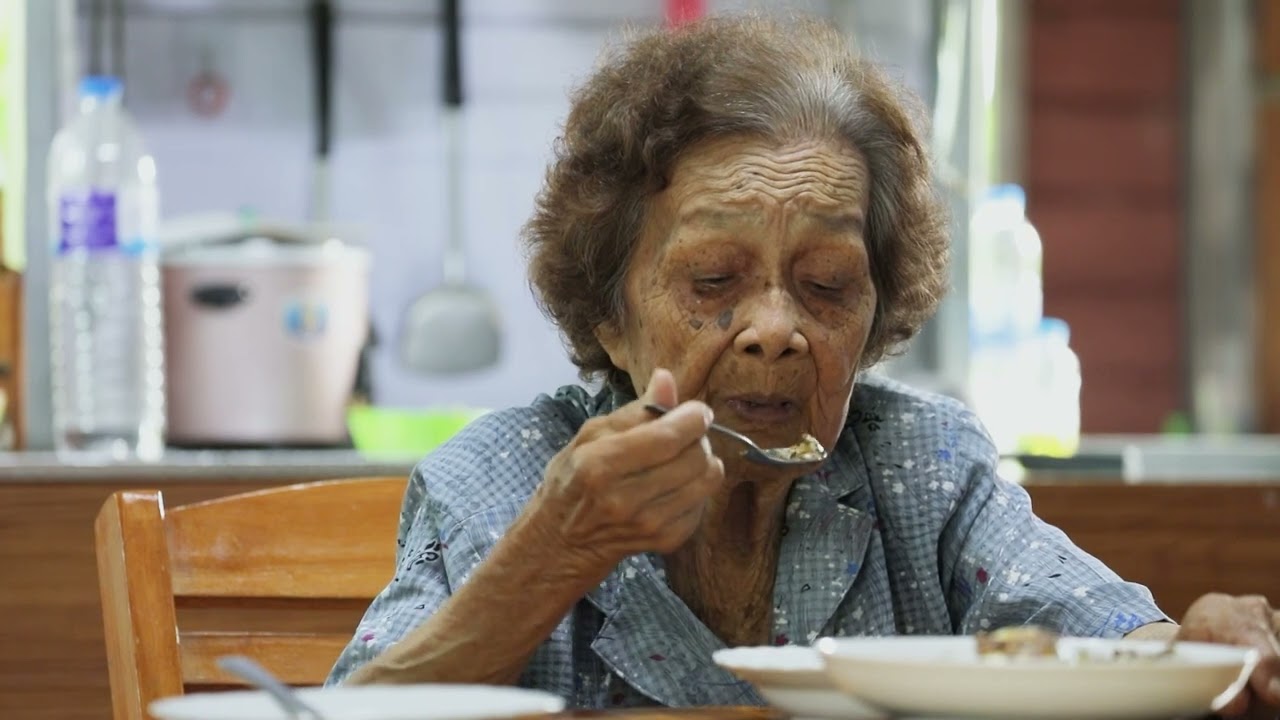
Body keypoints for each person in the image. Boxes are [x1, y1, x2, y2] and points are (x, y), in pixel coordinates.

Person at [328, 14, 1280, 714]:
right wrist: (549, 557)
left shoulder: (920, 466)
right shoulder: (494, 485)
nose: (777, 331)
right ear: (608, 317)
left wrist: (1191, 646)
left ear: (875, 318)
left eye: (827, 285)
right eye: (712, 278)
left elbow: (1108, 639)